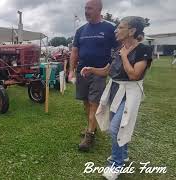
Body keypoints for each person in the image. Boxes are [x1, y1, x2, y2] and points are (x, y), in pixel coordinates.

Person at [80, 16, 152, 180]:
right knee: (120, 126)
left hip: (130, 93)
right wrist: (91, 69)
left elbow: (134, 75)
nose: (116, 30)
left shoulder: (143, 50)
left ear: (132, 31)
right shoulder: (118, 49)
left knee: (116, 127)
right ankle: (123, 154)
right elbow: (107, 71)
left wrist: (125, 56)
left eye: (120, 27)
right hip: (114, 91)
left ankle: (116, 164)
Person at [69, 0, 117, 151]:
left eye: (89, 8)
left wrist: (109, 66)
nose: (86, 11)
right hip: (82, 71)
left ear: (99, 9)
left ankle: (89, 135)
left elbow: (118, 50)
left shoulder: (109, 28)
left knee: (94, 103)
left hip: (99, 72)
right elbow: (75, 51)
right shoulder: (81, 30)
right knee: (85, 102)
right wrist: (71, 70)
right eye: (85, 8)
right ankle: (92, 127)